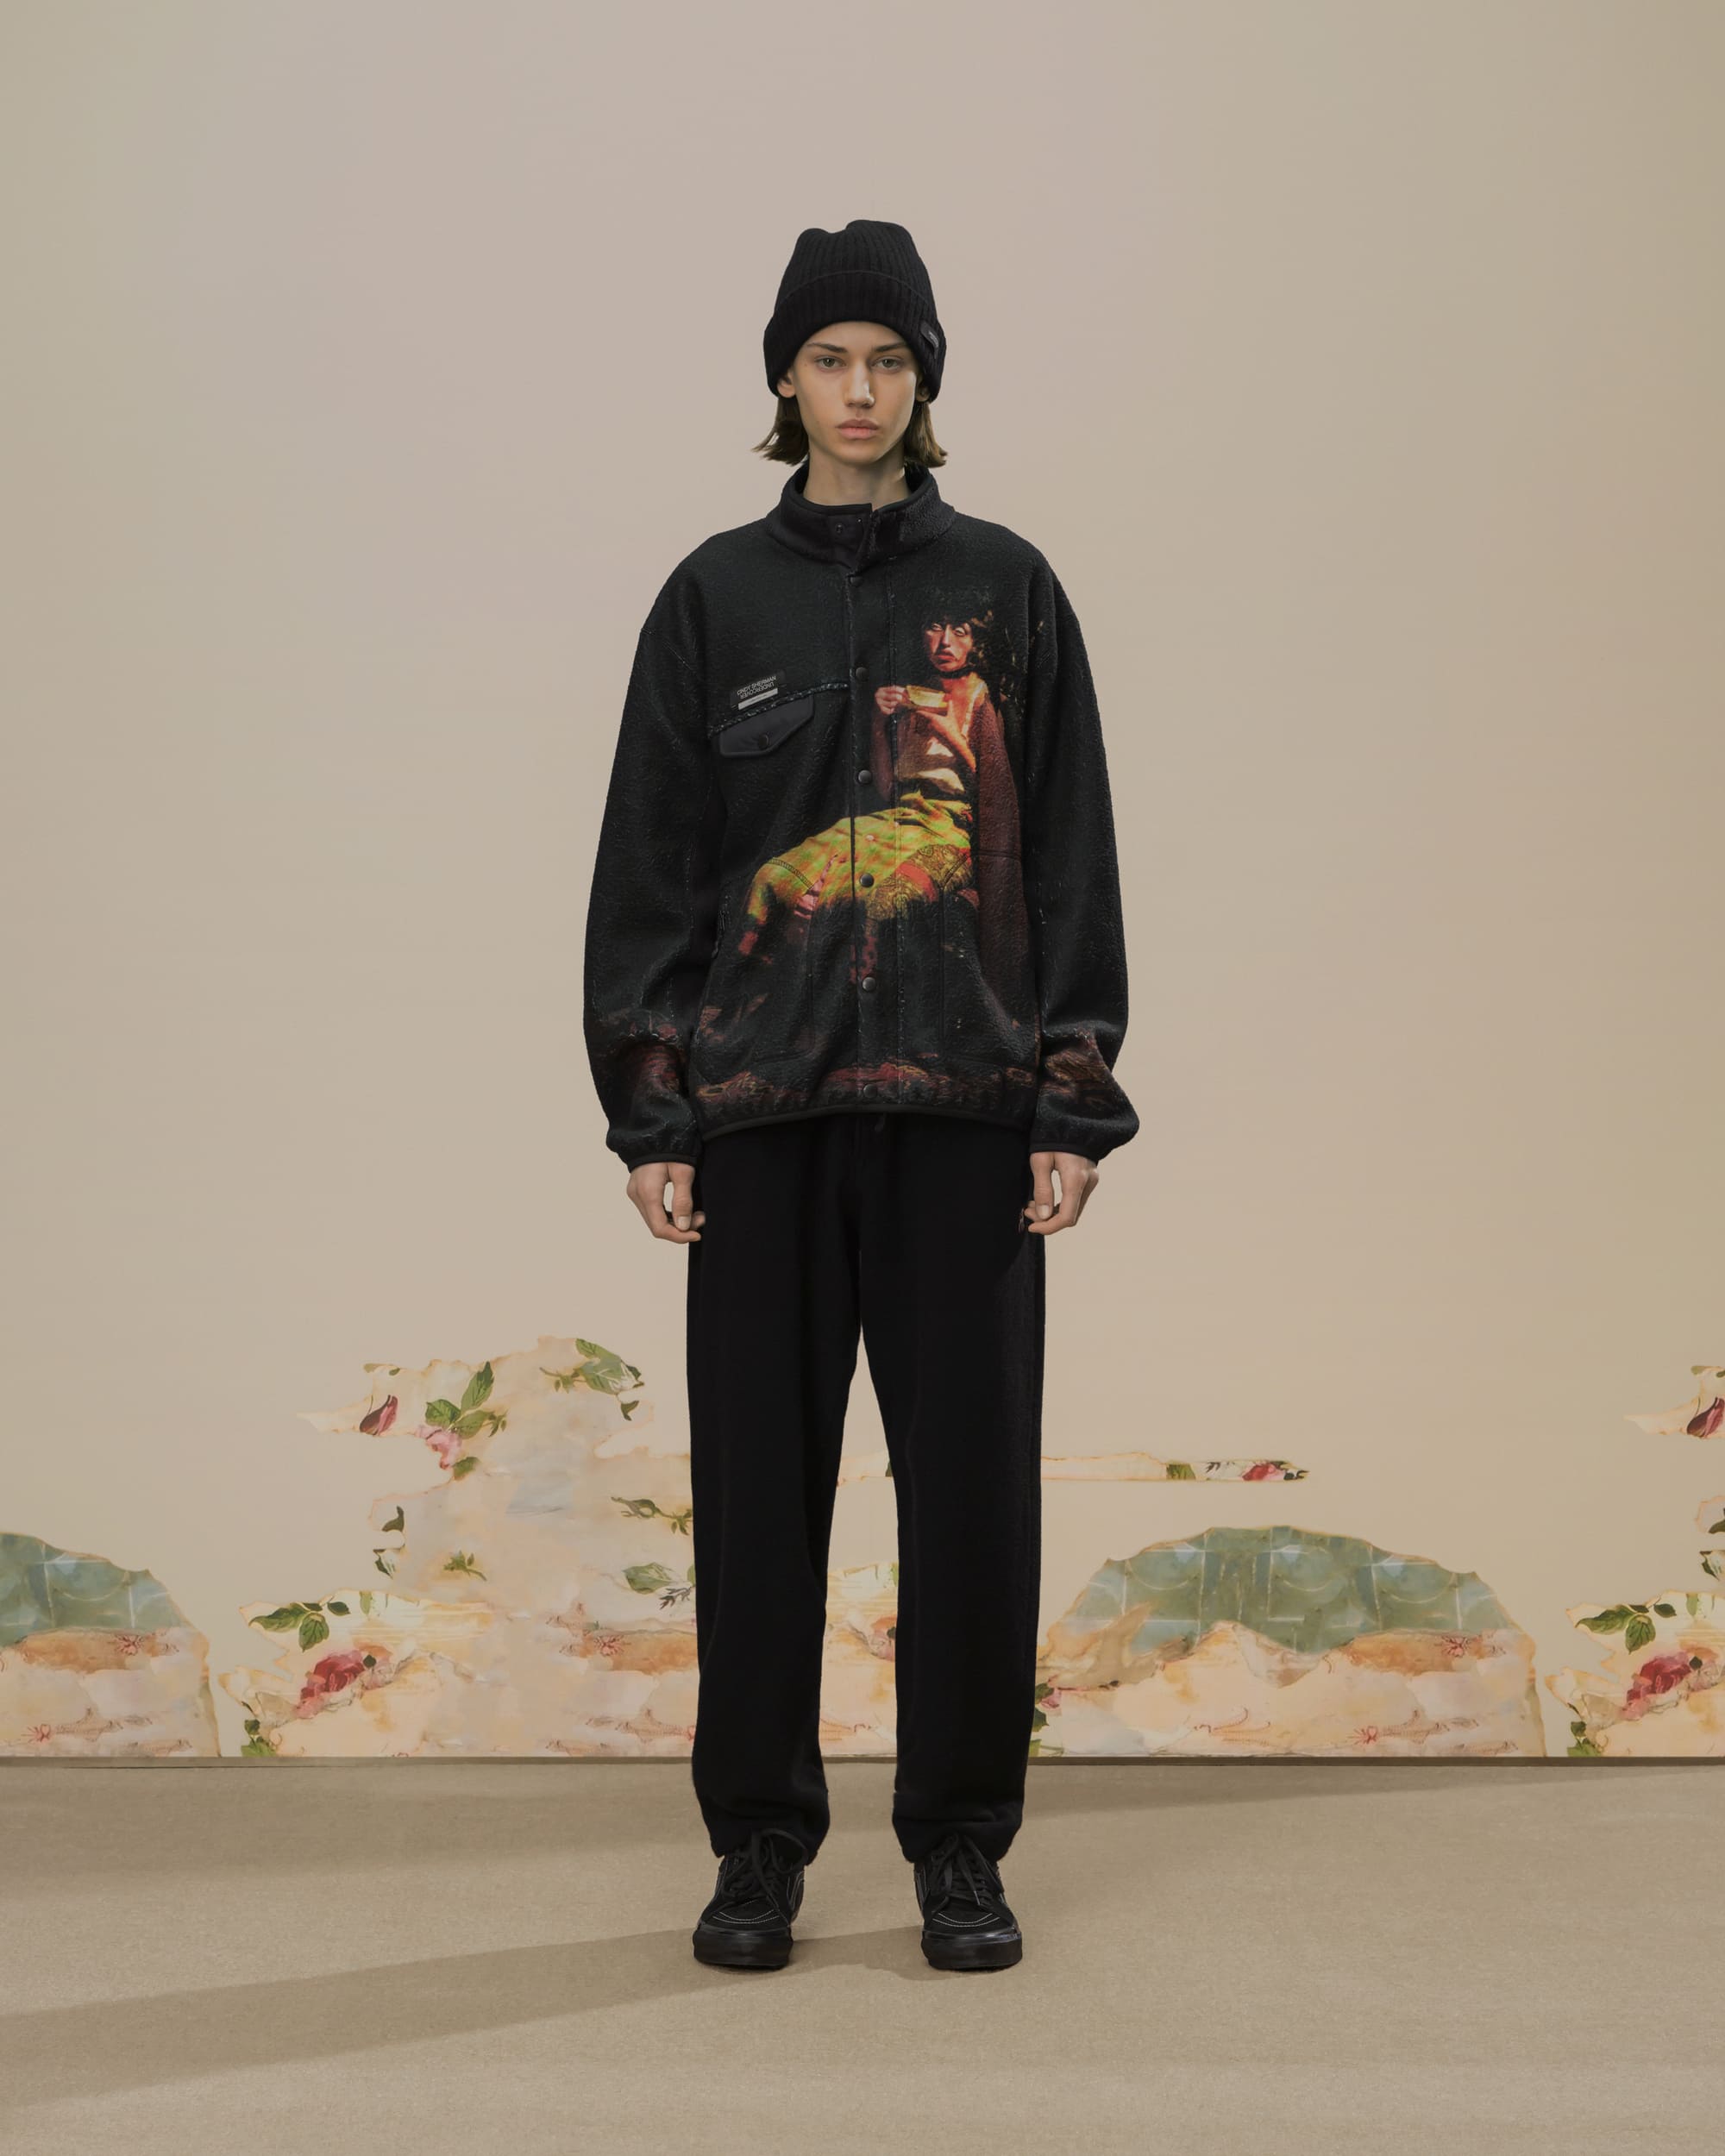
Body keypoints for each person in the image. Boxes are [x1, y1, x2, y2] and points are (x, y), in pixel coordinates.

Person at [582, 219, 1138, 1973]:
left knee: (970, 1499)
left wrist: (1069, 1094)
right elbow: (652, 866)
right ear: (785, 378)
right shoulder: (711, 599)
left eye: (889, 360)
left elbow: (1069, 850)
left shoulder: (1009, 590)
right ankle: (757, 1846)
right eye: (829, 358)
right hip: (759, 1118)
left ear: (925, 382)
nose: (859, 389)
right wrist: (653, 1108)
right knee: (759, 1501)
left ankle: (960, 1848)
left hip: (969, 1113)